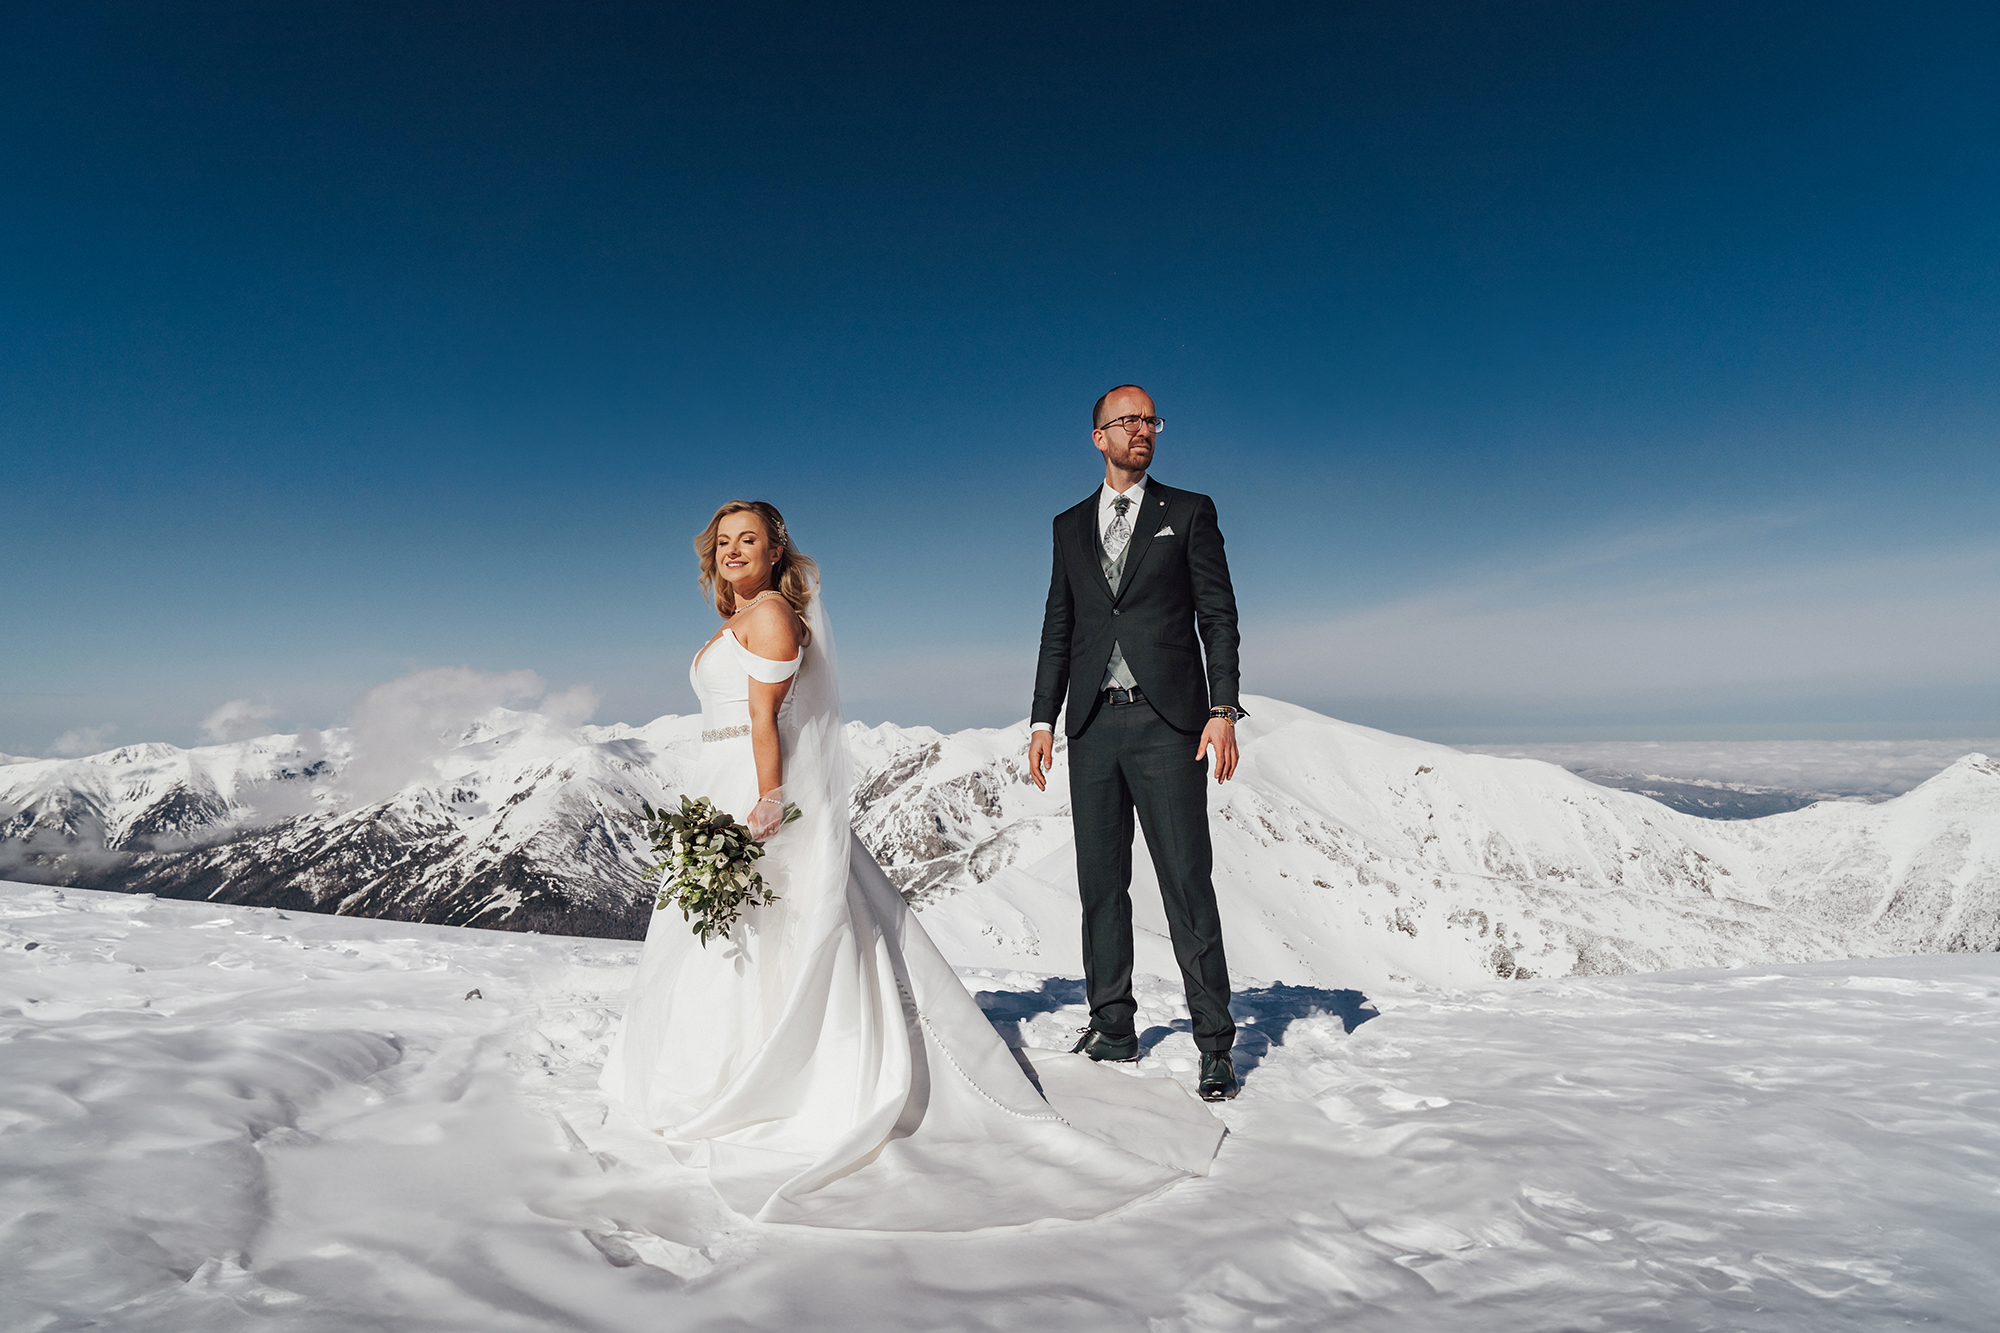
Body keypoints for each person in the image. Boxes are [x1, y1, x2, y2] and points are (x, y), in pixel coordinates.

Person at [599, 500, 1223, 1232]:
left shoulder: (768, 615)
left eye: (751, 540)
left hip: (751, 789)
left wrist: (767, 799)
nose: (736, 551)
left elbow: (766, 721)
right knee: (744, 937)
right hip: (717, 786)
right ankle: (730, 1065)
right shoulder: (740, 615)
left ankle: (775, 1077)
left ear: (775, 552)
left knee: (776, 932)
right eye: (725, 541)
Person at [1027, 385, 1245, 1102]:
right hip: (1091, 724)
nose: (1142, 430)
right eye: (1127, 421)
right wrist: (1041, 720)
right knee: (1100, 886)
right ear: (1098, 436)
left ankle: (1214, 1042)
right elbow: (1060, 627)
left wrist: (1222, 707)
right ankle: (1113, 1025)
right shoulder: (1067, 526)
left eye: (1150, 419)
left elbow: (1217, 614)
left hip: (1169, 723)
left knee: (1187, 881)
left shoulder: (1186, 512)